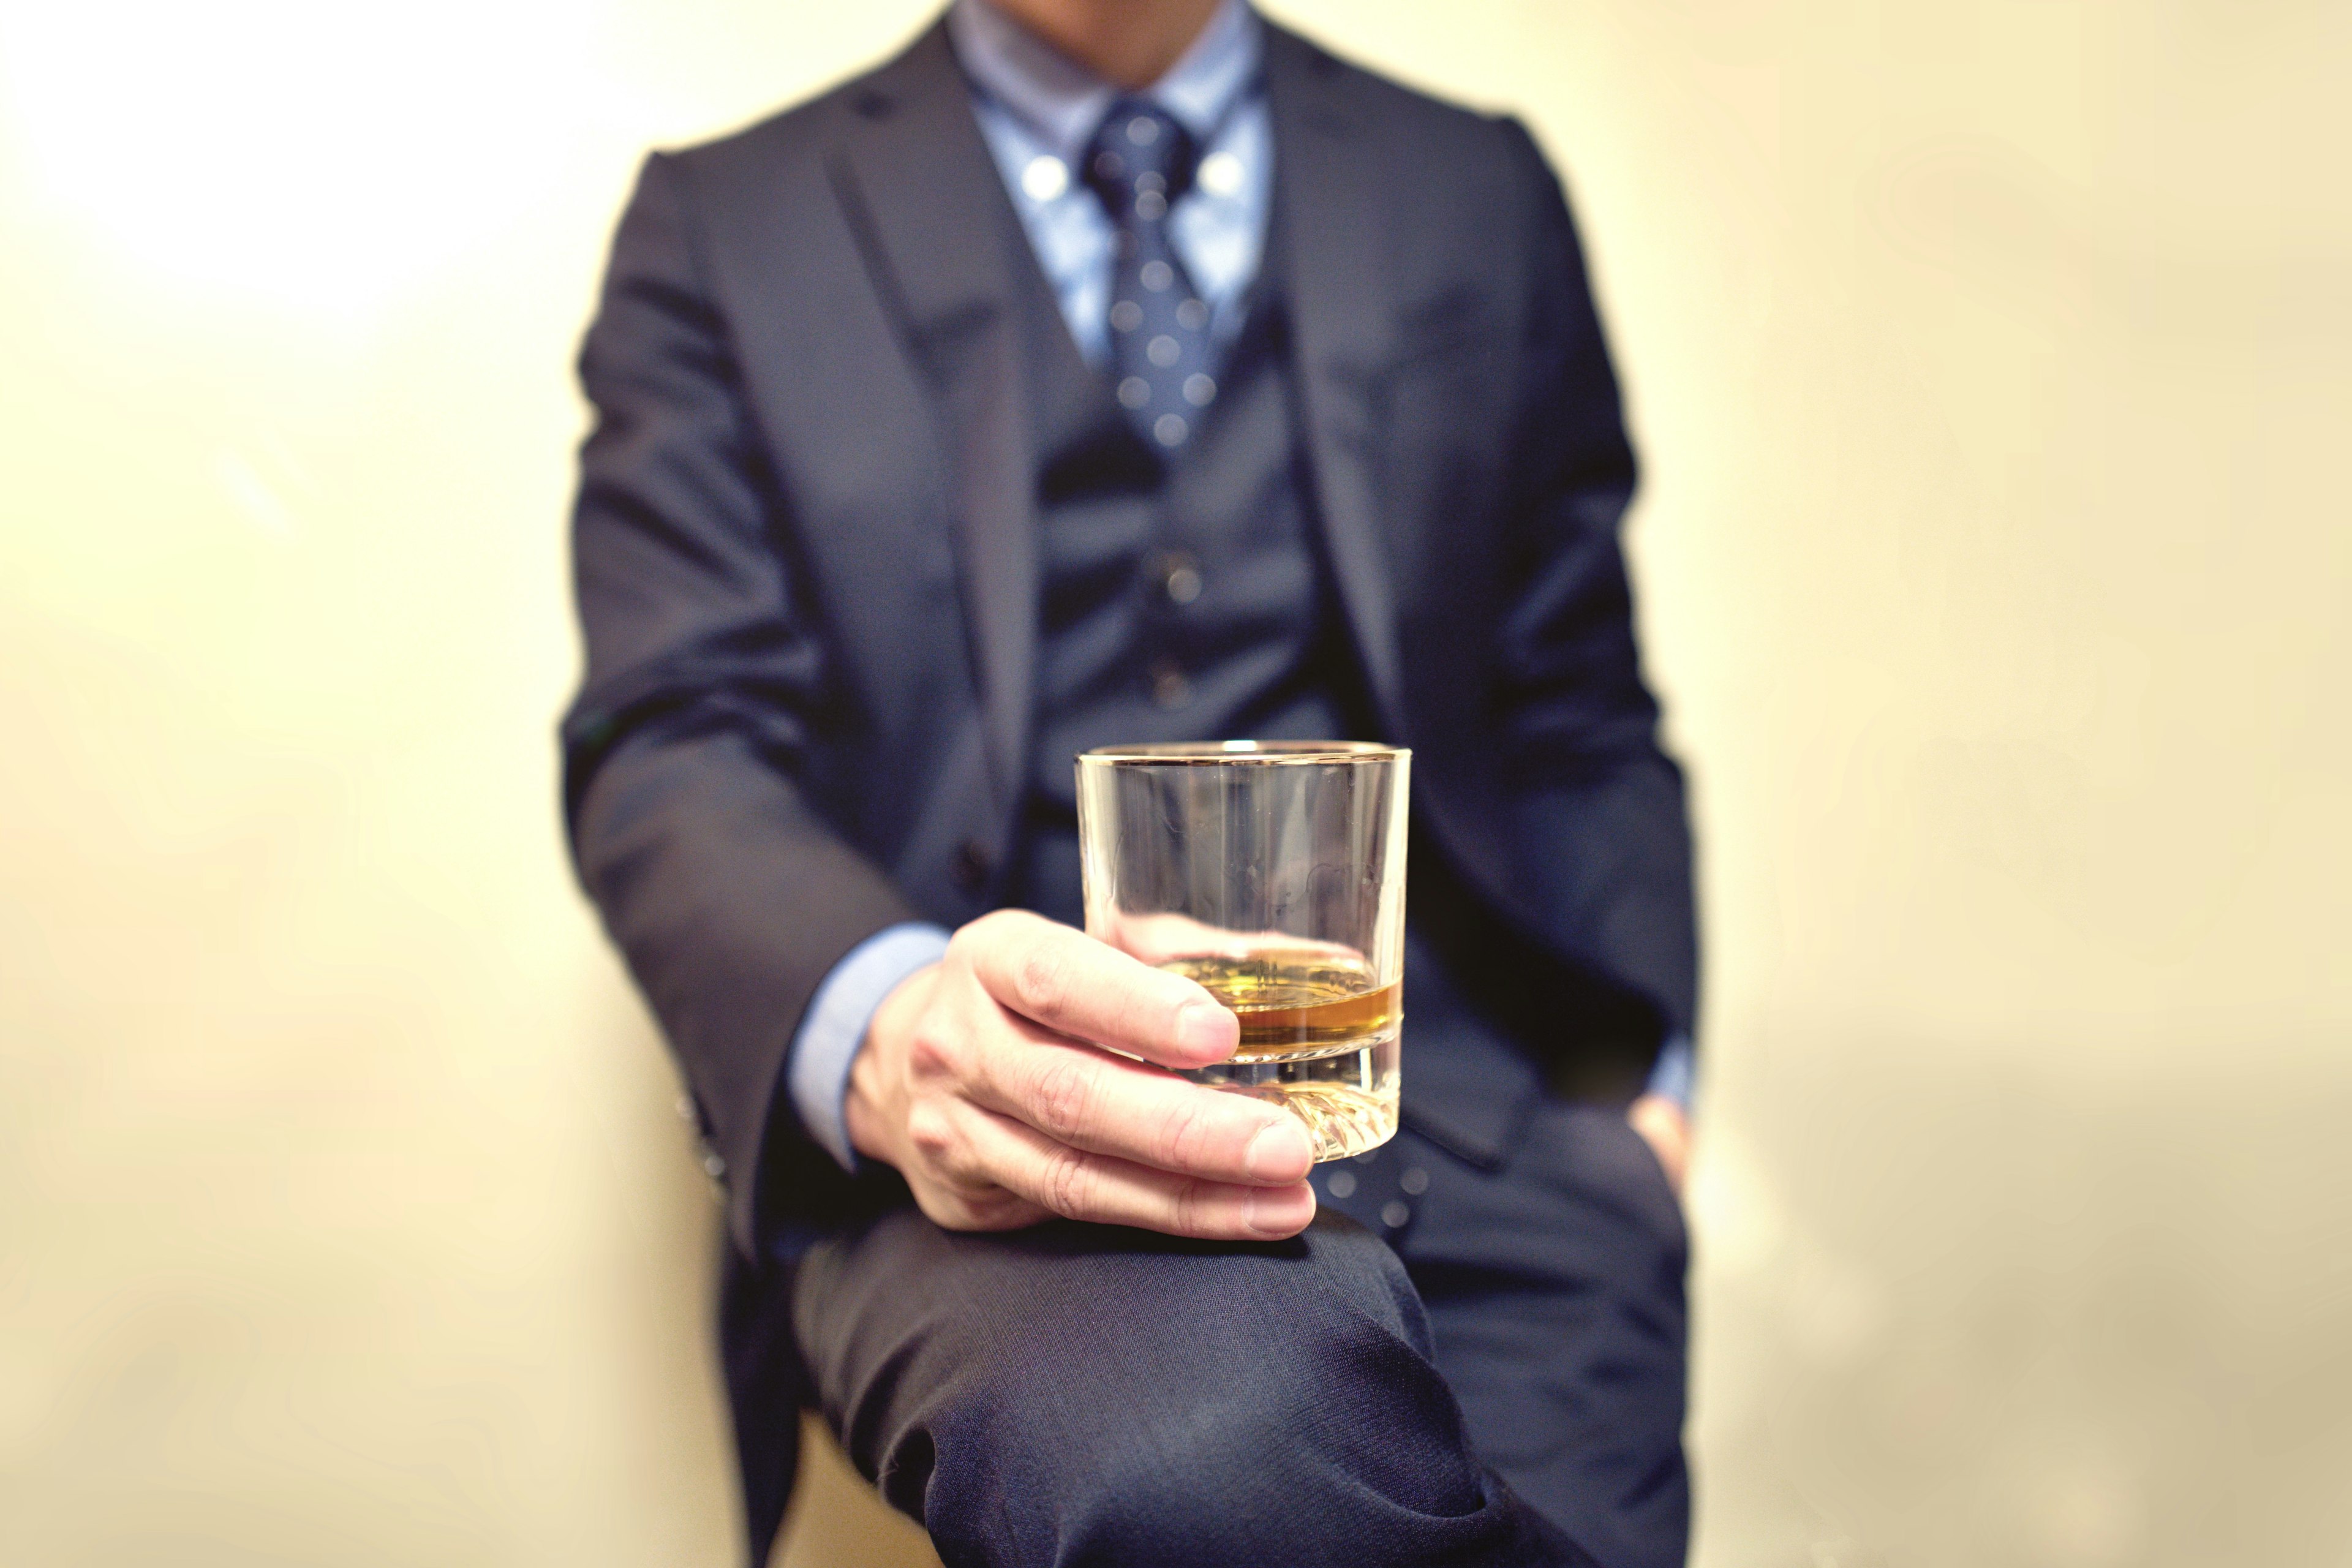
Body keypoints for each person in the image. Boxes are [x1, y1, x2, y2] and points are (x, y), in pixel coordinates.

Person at [562, 0, 1699, 1562]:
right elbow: (670, 741)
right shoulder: (726, 226)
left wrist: (1653, 1093)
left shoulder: (1475, 185)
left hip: (1507, 1145)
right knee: (1215, 1469)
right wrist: (894, 1038)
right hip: (1010, 1176)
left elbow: (1574, 697)